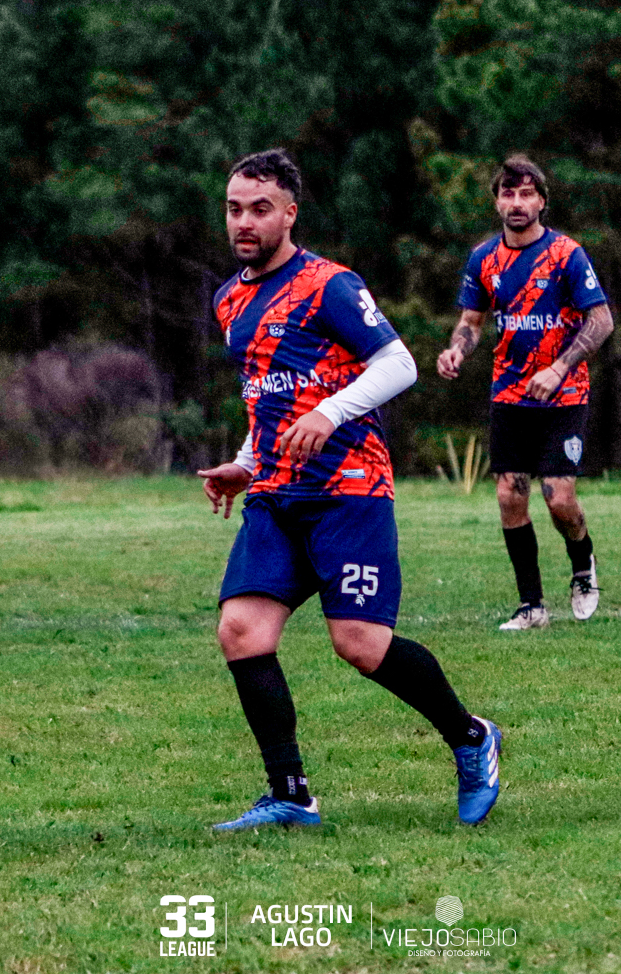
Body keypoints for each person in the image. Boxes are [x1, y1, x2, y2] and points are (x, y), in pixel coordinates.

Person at [196, 149, 502, 831]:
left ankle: (472, 737)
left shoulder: (328, 285)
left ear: (289, 214)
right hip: (275, 494)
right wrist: (244, 462)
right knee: (242, 631)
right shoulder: (229, 299)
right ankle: (291, 794)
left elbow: (399, 364)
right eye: (234, 208)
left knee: (359, 643)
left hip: (349, 490)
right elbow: (268, 396)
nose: (244, 222)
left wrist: (331, 413)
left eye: (260, 209)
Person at [436, 154, 615, 630]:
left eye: (526, 194)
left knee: (559, 499)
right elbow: (472, 321)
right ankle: (531, 606)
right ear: (497, 202)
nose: (517, 202)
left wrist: (558, 368)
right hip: (510, 393)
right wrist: (456, 350)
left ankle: (583, 563)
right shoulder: (484, 259)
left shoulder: (566, 255)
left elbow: (601, 321)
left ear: (541, 202)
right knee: (510, 496)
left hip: (563, 394)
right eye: (508, 193)